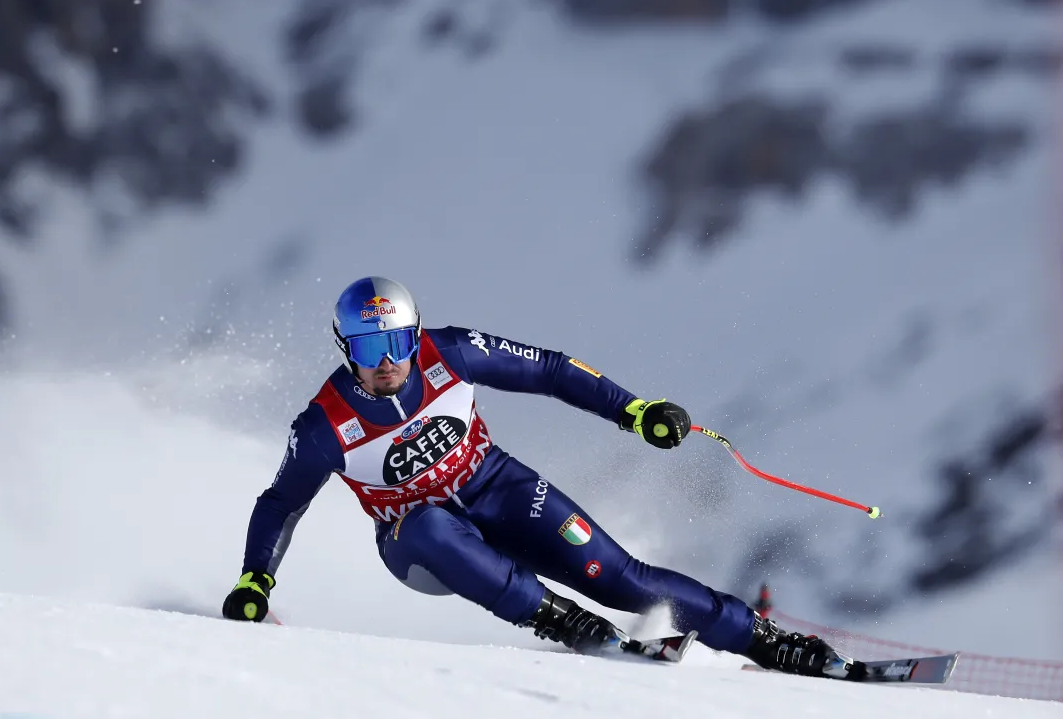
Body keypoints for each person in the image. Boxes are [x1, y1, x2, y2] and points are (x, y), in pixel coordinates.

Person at [222, 276, 847, 677]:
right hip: (417, 547)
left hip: (497, 487)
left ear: (415, 336)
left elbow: (550, 369)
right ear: (344, 349)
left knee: (623, 579)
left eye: (396, 343)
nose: (385, 364)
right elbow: (280, 503)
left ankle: (766, 642)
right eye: (366, 349)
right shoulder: (323, 426)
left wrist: (634, 411)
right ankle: (560, 621)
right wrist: (256, 579)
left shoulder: (451, 352)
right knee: (430, 523)